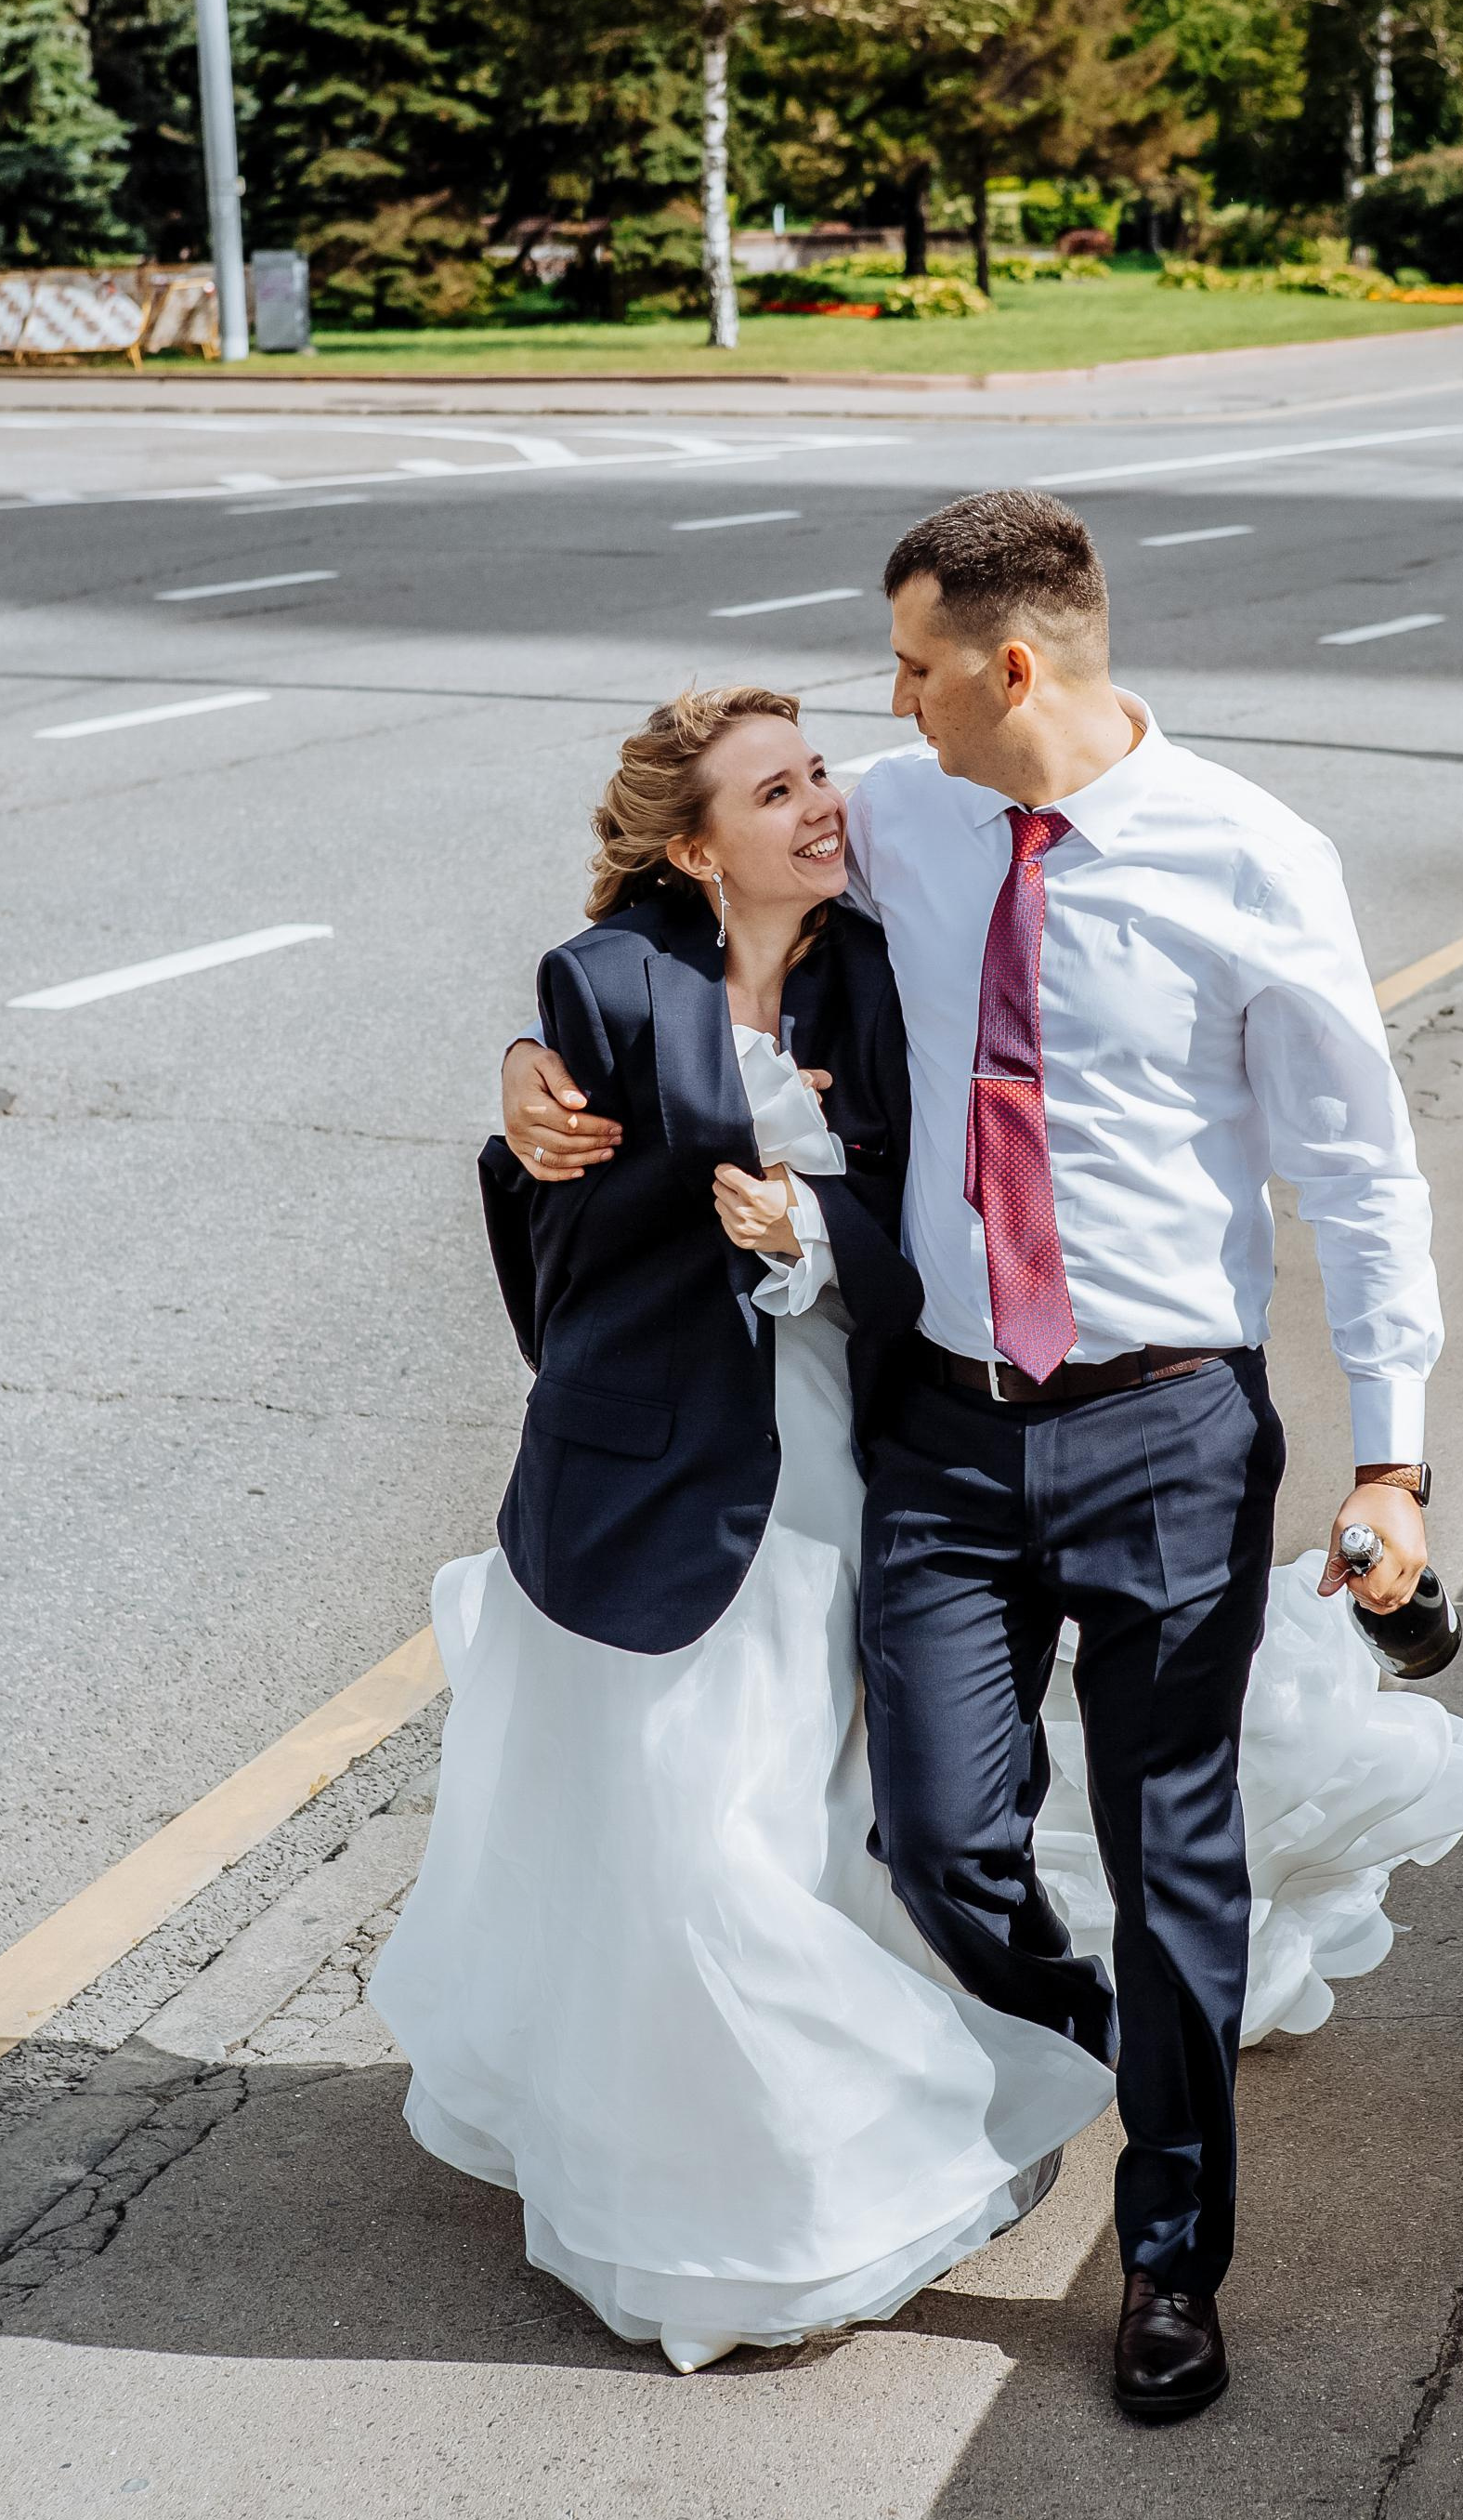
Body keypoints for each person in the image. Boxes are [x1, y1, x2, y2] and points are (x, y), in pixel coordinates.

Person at [499, 490, 1463, 2422]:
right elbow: (686, 905)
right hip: (945, 1434)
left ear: (1010, 665)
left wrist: (1393, 1465)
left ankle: (1171, 2255)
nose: (884, 707)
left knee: (1170, 1846)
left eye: (911, 666)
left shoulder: (1252, 858)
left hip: (1168, 1430)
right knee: (943, 1845)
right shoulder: (902, 815)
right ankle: (1122, 2055)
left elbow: (1361, 1178)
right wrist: (530, 1068)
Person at [372, 686, 1117, 2377]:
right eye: (772, 793)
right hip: (636, 1485)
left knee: (803, 1815)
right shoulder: (607, 986)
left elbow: (949, 1224)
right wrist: (521, 1111)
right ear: (699, 851)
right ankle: (718, 2183)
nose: (818, 804)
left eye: (817, 773)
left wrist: (815, 1227)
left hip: (837, 1469)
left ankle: (816, 2159)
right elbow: (548, 1224)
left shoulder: (884, 977)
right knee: (681, 1836)